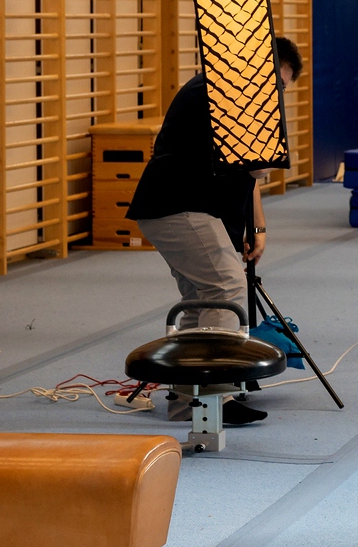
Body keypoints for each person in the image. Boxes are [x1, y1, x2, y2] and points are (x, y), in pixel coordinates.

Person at [127, 38, 303, 425]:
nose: (276, 94)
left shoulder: (232, 90)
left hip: (178, 206)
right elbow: (259, 166)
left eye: (282, 88)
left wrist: (257, 226)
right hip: (178, 205)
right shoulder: (224, 92)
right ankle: (214, 399)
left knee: (199, 301)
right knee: (225, 289)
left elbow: (250, 175)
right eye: (275, 83)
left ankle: (186, 404)